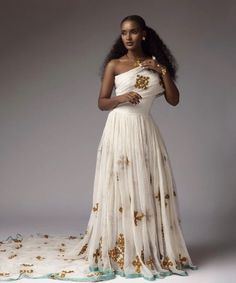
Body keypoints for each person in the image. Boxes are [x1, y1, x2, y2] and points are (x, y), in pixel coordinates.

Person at [0, 14, 198, 282]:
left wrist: (161, 69)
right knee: (121, 187)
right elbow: (101, 102)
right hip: (119, 128)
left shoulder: (156, 67)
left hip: (144, 131)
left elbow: (174, 100)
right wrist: (121, 98)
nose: (127, 37)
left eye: (133, 32)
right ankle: (120, 250)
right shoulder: (114, 65)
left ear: (144, 34)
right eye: (123, 32)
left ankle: (146, 248)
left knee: (144, 187)